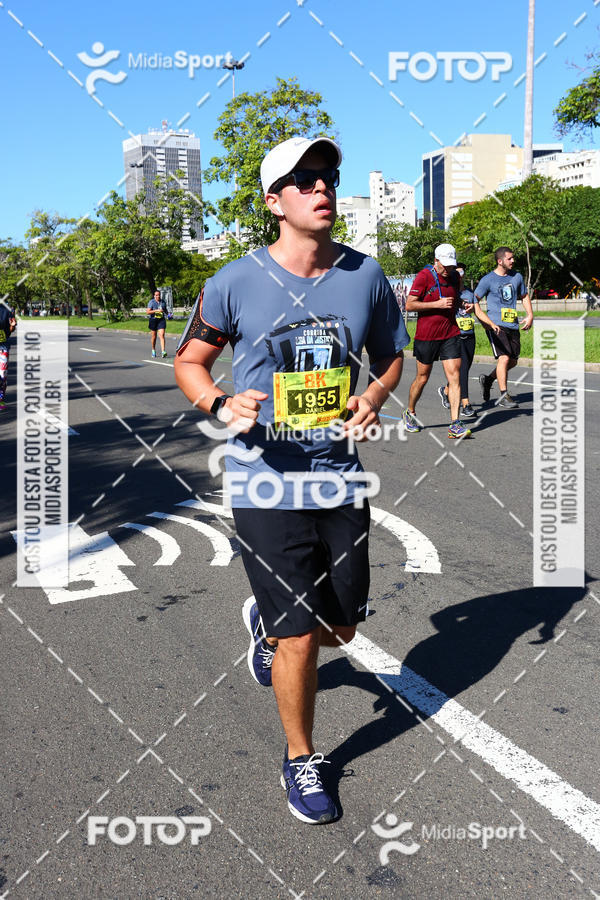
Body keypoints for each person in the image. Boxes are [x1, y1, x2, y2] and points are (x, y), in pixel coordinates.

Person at [174, 135, 409, 824]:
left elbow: (390, 356)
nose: (322, 187)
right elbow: (190, 362)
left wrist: (372, 397)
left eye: (328, 175)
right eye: (304, 179)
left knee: (342, 630)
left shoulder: (366, 276)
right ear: (274, 202)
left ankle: (264, 626)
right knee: (301, 635)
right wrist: (220, 404)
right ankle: (302, 757)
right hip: (264, 480)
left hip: (338, 478)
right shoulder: (233, 281)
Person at [403, 244, 471, 439]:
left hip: (450, 333)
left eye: (451, 265)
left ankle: (455, 424)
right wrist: (436, 304)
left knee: (455, 376)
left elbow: (454, 299)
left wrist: (462, 305)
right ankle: (410, 412)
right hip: (427, 336)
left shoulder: (455, 276)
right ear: (436, 261)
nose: (449, 269)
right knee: (422, 378)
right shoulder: (424, 276)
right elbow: (409, 305)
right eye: (445, 265)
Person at [474, 247, 533, 408]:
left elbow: (524, 296)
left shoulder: (517, 277)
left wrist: (530, 315)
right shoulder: (488, 280)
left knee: (512, 361)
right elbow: (475, 299)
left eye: (513, 258)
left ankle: (488, 380)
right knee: (504, 358)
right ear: (500, 261)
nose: (513, 261)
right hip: (496, 326)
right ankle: (503, 396)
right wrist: (485, 321)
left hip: (512, 324)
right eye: (509, 258)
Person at [438, 262, 477, 419]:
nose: (459, 276)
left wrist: (491, 326)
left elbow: (477, 311)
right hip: (455, 335)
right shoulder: (450, 292)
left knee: (463, 370)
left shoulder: (470, 293)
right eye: (457, 273)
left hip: (470, 334)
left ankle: (446, 390)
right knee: (463, 369)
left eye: (462, 273)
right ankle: (465, 404)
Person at [0, 303, 16, 409]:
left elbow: (10, 330)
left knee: (2, 374)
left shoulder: (5, 310)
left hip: (2, 347)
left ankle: (0, 399)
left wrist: (12, 326)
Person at [146, 289, 168, 358]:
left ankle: (163, 351)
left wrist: (169, 314)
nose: (158, 296)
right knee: (154, 337)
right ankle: (153, 349)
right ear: (154, 296)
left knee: (162, 335)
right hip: (153, 320)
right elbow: (148, 312)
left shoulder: (163, 302)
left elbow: (165, 310)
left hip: (161, 320)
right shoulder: (151, 302)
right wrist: (156, 310)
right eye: (156, 295)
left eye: (159, 295)